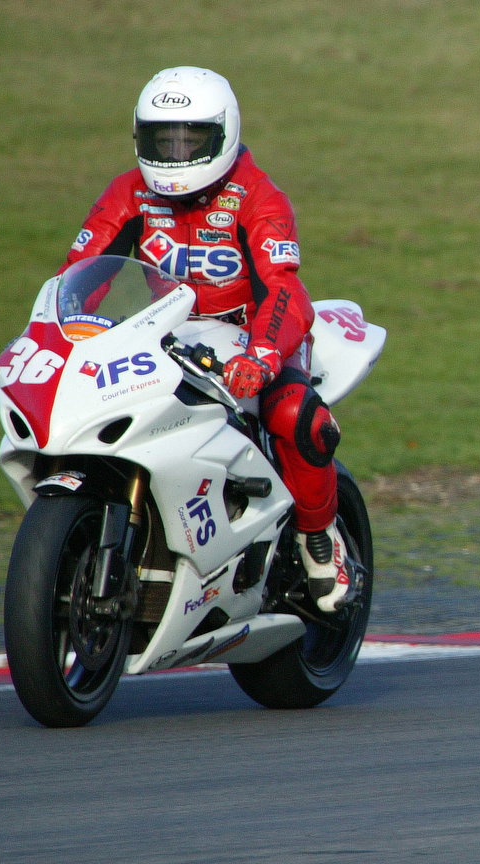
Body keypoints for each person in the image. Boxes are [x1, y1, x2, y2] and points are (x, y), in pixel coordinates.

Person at [61, 66, 352, 612]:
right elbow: (80, 273)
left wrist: (262, 355)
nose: (175, 153)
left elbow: (284, 289)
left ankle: (319, 537)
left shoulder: (259, 196)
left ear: (223, 134)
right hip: (159, 335)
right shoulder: (127, 193)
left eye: (190, 140)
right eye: (162, 140)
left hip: (250, 334)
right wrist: (53, 337)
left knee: (297, 416)